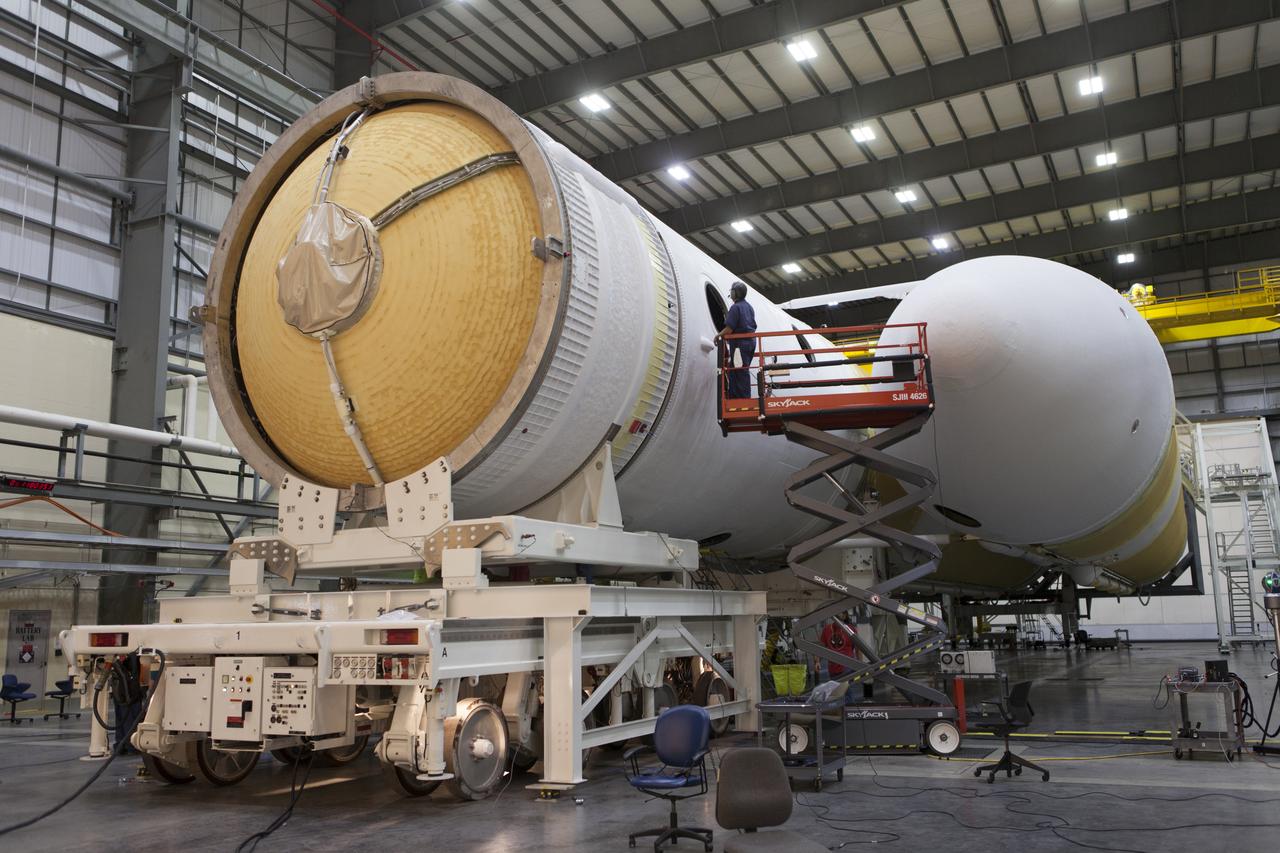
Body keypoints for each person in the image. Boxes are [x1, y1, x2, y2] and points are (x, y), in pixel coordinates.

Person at [714, 281, 757, 398]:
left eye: (732, 291)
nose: (731, 293)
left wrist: (718, 336)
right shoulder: (749, 307)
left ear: (736, 293)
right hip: (751, 342)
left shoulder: (735, 307)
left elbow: (729, 328)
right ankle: (741, 396)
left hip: (740, 344)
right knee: (741, 369)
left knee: (739, 371)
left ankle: (741, 398)